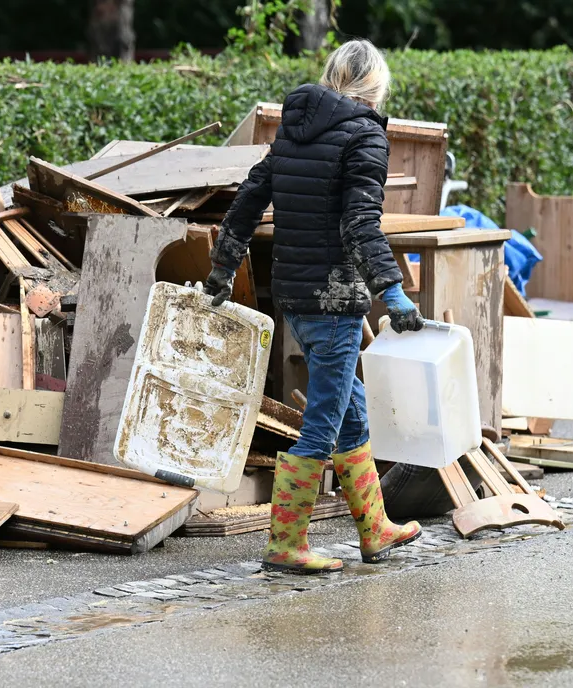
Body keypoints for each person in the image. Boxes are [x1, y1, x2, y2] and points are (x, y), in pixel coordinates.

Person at [205, 39, 425, 574]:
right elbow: (360, 224)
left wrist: (220, 269)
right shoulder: (366, 134)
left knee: (351, 406)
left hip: (296, 298)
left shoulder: (295, 127)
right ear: (376, 87)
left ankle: (374, 529)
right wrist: (391, 291)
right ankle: (285, 544)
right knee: (324, 420)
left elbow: (247, 202)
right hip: (334, 300)